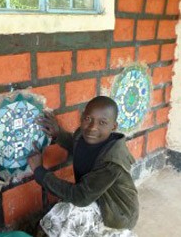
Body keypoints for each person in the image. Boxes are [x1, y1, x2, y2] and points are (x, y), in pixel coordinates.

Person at [28, 96, 139, 237]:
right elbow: (77, 145)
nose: (92, 127)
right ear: (82, 117)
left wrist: (40, 172)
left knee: (71, 213)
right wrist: (58, 133)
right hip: (96, 197)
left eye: (102, 122)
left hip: (117, 213)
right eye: (88, 119)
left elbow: (81, 196)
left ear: (114, 126)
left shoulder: (112, 162)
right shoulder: (82, 134)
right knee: (63, 212)